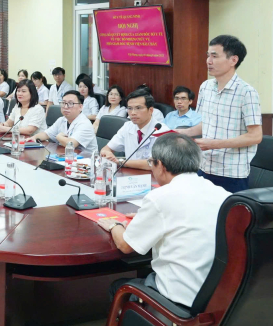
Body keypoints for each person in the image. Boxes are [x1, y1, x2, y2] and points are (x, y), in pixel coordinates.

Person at [100, 134, 231, 308]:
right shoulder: (223, 194)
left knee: (118, 287)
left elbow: (125, 246)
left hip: (178, 299)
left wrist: (114, 225)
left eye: (151, 163)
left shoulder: (160, 197)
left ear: (160, 165)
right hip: (218, 298)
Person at [176, 35, 262, 192]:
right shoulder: (206, 87)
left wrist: (215, 144)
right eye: (208, 55)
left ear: (233, 60)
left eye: (214, 56)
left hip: (231, 173)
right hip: (204, 166)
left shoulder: (247, 92)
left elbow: (255, 136)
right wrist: (181, 133)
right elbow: (206, 124)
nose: (208, 61)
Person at [100, 91, 173, 170]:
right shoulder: (127, 126)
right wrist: (107, 154)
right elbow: (106, 148)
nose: (133, 113)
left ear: (150, 110)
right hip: (129, 174)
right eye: (130, 108)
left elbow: (154, 164)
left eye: (138, 108)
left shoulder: (163, 131)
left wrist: (121, 162)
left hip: (152, 176)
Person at [28, 90, 97, 153]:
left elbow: (71, 144)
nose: (65, 107)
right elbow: (46, 134)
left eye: (70, 103)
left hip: (85, 160)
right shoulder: (62, 120)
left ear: (80, 107)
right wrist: (33, 138)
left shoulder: (84, 123)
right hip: (66, 156)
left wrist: (59, 137)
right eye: (63, 103)